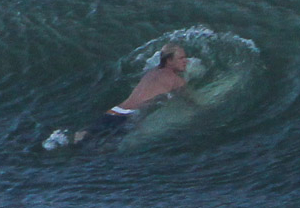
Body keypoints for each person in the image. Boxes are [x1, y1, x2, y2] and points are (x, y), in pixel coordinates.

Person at [42, 44, 191, 150]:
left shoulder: (151, 72)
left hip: (115, 110)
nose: (186, 61)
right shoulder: (176, 80)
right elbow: (187, 99)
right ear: (169, 61)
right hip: (129, 115)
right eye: (181, 58)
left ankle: (59, 139)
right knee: (104, 148)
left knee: (86, 135)